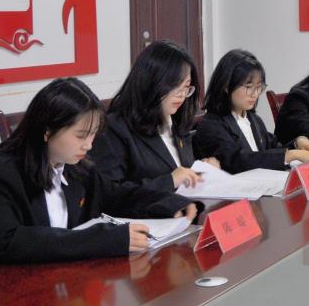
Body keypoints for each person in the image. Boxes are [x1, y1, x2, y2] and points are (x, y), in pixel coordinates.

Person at [0, 77, 200, 264]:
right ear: (47, 131)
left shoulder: (75, 167)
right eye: (81, 136)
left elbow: (117, 196)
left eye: (93, 135)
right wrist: (103, 240)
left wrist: (169, 203)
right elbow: (6, 241)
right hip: (5, 297)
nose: (89, 145)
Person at [91, 40, 218, 193]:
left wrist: (201, 171)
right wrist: (169, 181)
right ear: (150, 82)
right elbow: (110, 194)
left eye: (186, 87)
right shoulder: (115, 129)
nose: (181, 95)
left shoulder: (177, 123)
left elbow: (181, 173)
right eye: (174, 85)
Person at [193, 49, 309, 172]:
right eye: (248, 87)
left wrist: (296, 144)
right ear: (226, 86)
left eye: (259, 87)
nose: (255, 94)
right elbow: (237, 161)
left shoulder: (253, 119)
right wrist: (292, 155)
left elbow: (272, 148)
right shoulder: (212, 125)